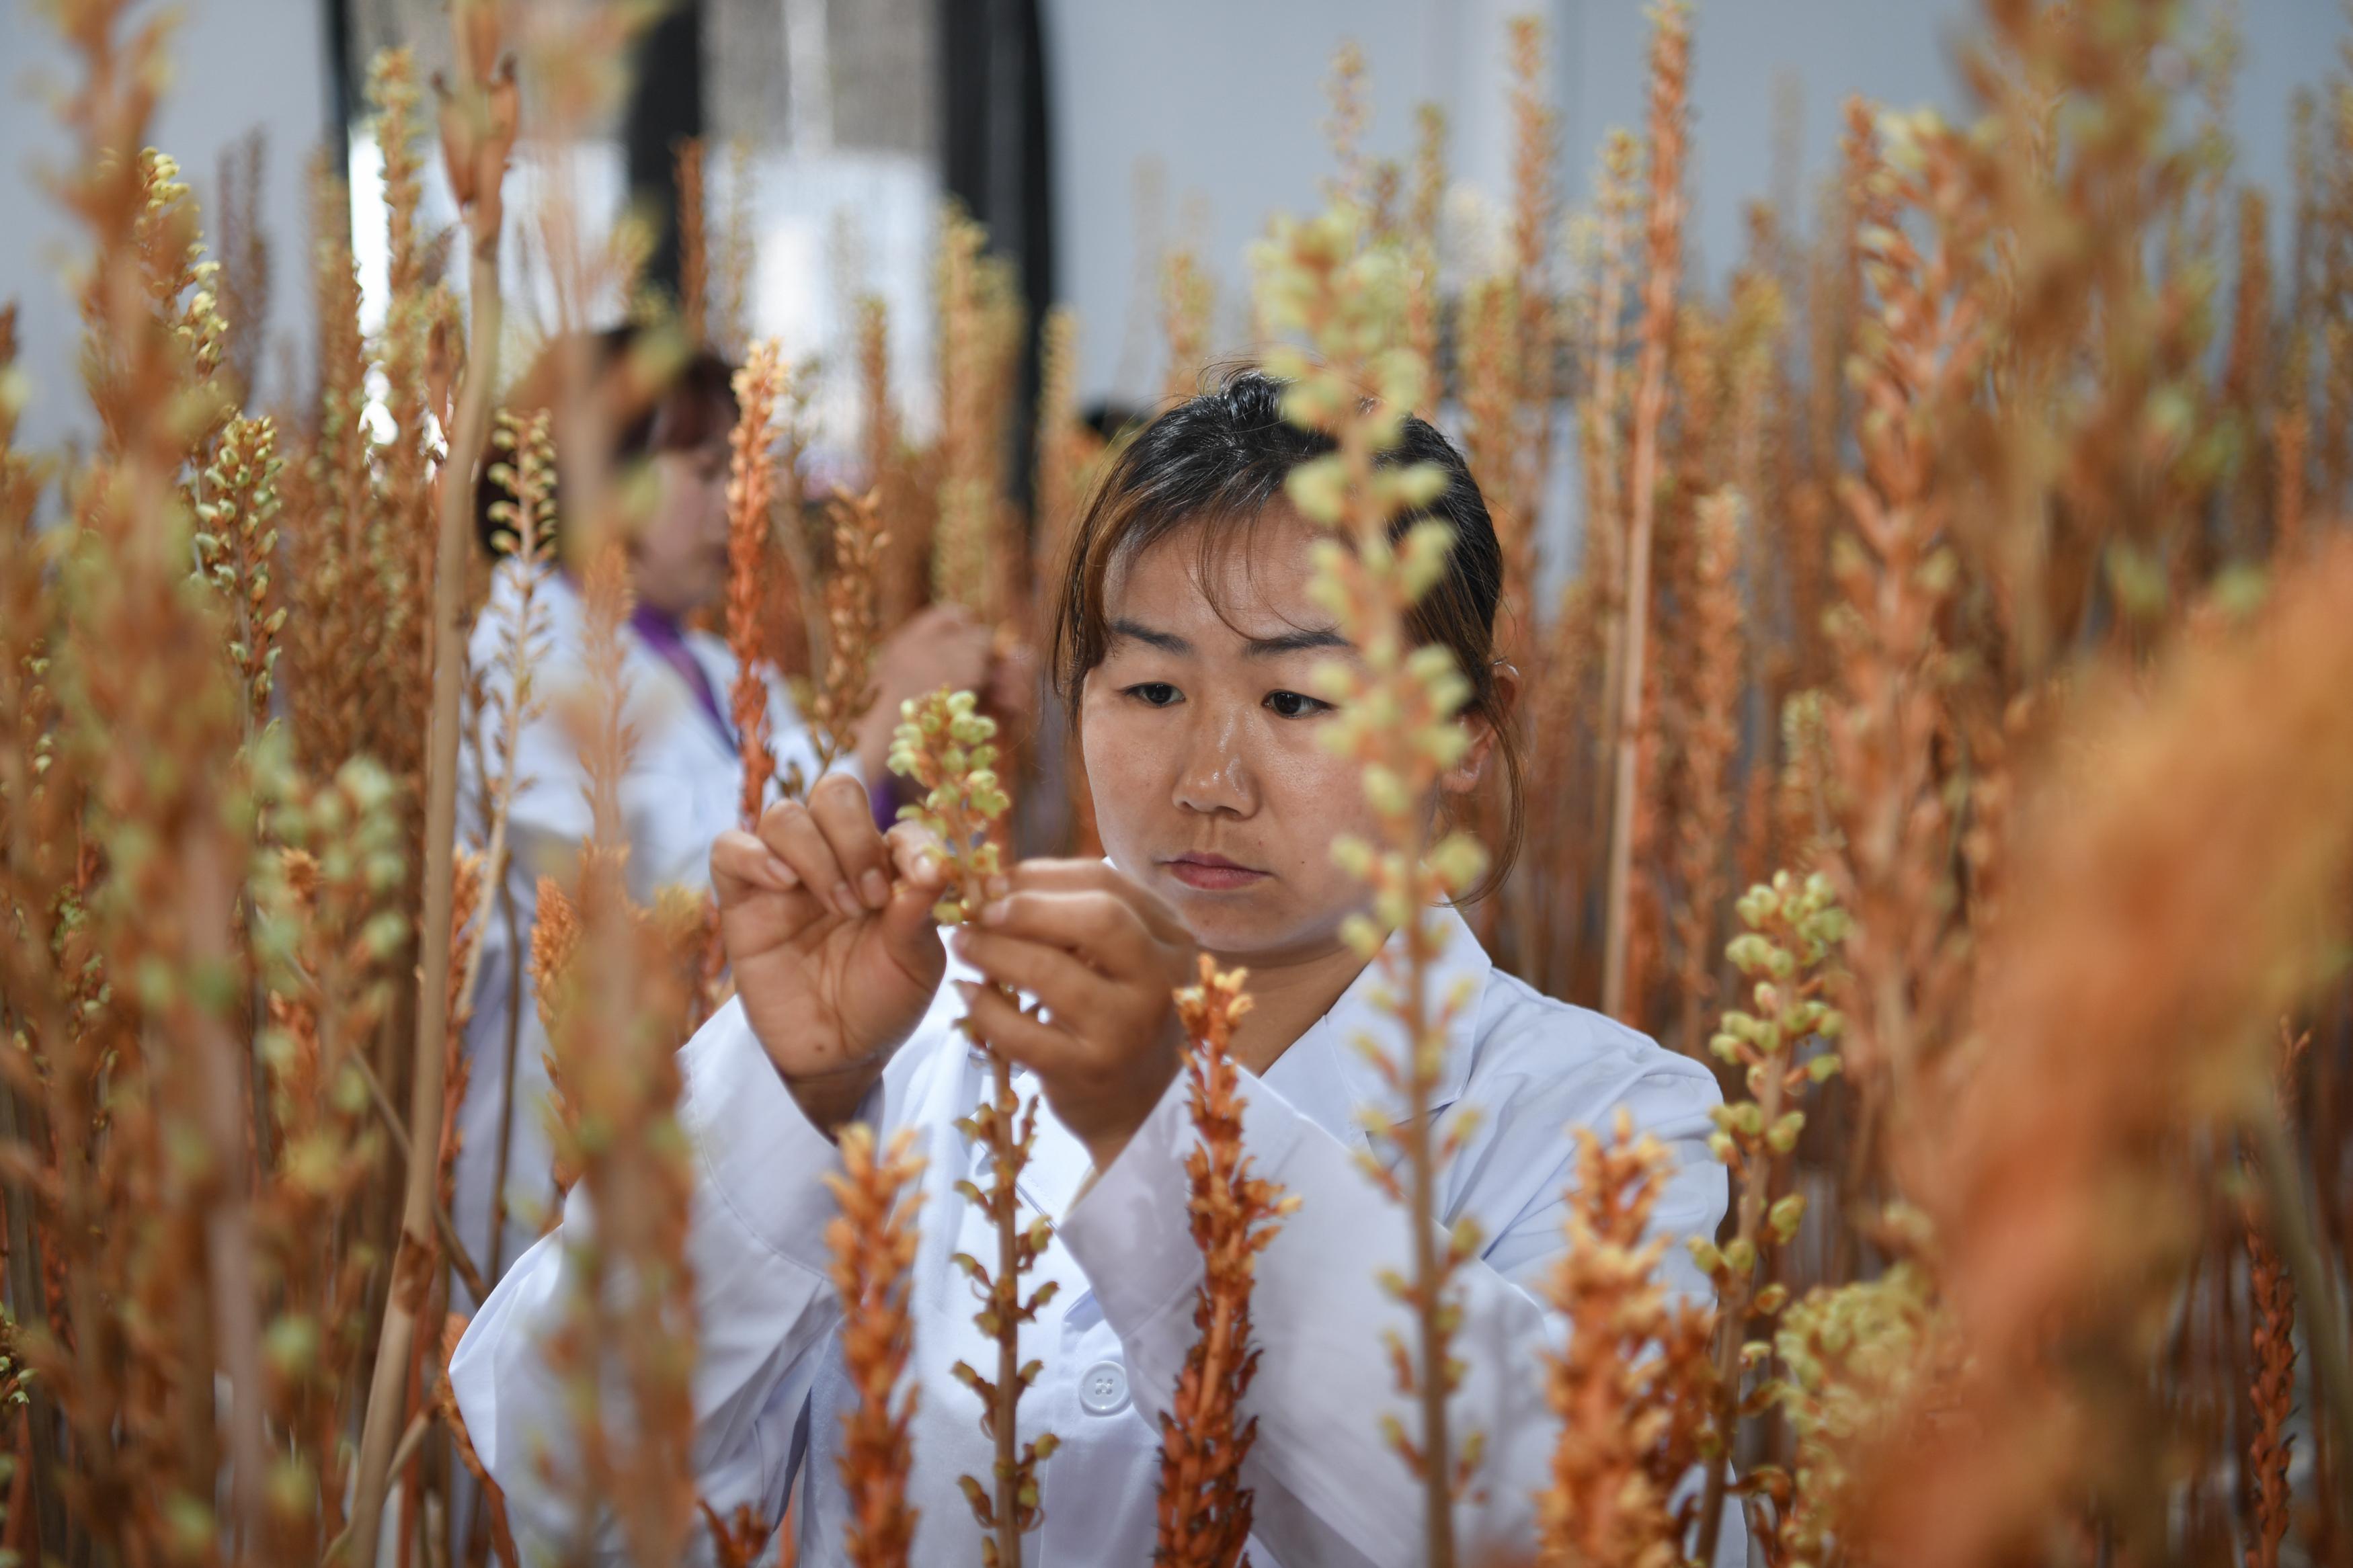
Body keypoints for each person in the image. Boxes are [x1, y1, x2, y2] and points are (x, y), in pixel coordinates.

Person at [451, 368, 1739, 1566]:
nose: (1208, 784)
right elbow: (566, 1477)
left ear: (1469, 730)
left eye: (1300, 702)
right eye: (1150, 691)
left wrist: (1163, 1130)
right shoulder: (916, 1032)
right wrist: (788, 1087)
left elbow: (1585, 1525)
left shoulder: (1608, 1118)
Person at [452, 325, 996, 1296]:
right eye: (704, 469)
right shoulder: (519, 657)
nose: (738, 502)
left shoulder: (706, 664)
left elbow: (827, 850)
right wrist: (881, 713)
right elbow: (654, 889)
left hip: (728, 1116)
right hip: (573, 1132)